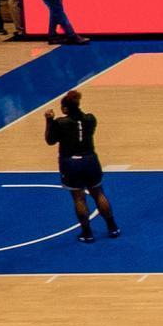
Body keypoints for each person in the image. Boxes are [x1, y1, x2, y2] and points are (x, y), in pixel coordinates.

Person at [43, 89, 120, 243]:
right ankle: (113, 227)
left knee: (78, 198)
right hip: (90, 160)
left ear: (65, 109)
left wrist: (49, 121)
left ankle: (87, 233)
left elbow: (50, 140)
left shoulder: (60, 123)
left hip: (70, 162)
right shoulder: (90, 119)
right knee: (98, 193)